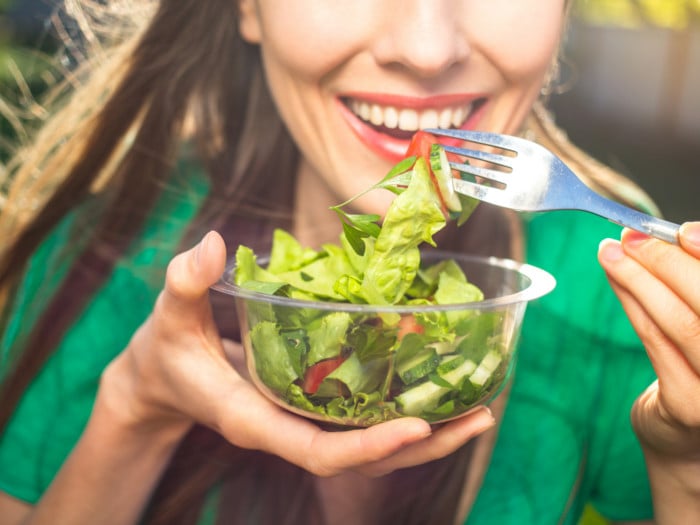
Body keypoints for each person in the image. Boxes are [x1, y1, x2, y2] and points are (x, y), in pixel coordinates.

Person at [0, 0, 698, 523]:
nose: (427, 48)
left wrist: (686, 466)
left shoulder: (627, 286)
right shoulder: (106, 258)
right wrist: (136, 406)